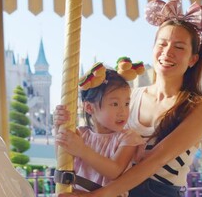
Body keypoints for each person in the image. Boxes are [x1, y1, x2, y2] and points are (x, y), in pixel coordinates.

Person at [55, 0, 202, 197]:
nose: (167, 52)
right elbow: (96, 135)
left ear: (193, 59)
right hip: (115, 189)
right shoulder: (130, 97)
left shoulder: (198, 108)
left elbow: (154, 161)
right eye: (162, 44)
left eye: (179, 47)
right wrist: (62, 125)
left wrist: (98, 196)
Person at [54, 62, 145, 194]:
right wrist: (59, 127)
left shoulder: (128, 138)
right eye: (115, 104)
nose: (123, 111)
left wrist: (82, 150)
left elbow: (114, 170)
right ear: (89, 107)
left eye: (126, 103)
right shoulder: (81, 134)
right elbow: (62, 158)